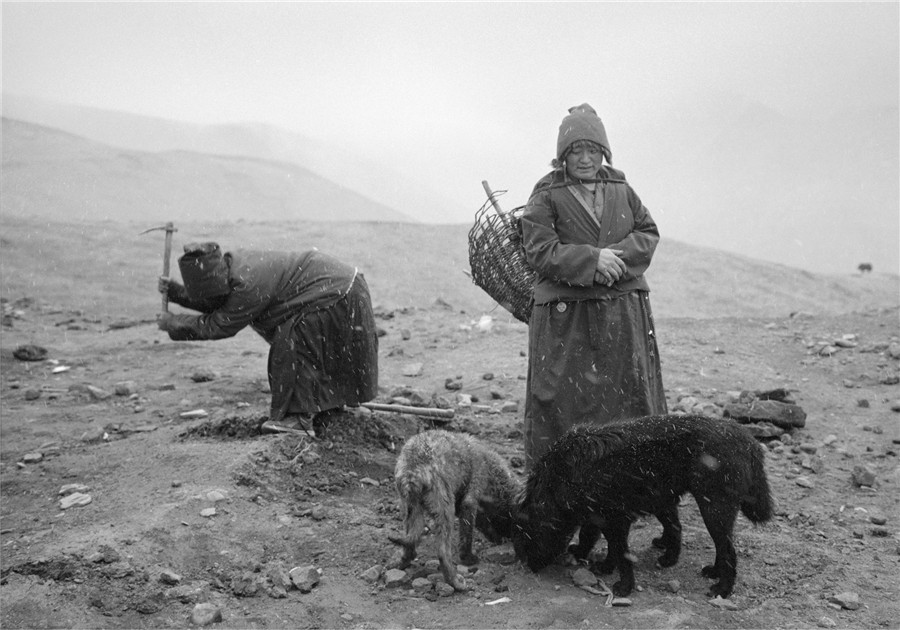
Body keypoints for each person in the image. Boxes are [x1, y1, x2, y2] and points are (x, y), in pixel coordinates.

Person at [520, 103, 667, 466]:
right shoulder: (546, 195)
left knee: (627, 393)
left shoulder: (621, 188)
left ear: (604, 151)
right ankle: (563, 477)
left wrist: (614, 258)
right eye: (576, 151)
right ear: (562, 156)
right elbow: (539, 250)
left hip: (622, 312)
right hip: (567, 318)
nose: (585, 159)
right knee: (563, 399)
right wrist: (591, 261)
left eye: (593, 150)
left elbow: (648, 232)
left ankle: (630, 474)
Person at [157, 241, 378, 436]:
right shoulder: (230, 270)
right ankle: (326, 406)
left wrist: (173, 322)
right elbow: (217, 301)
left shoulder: (247, 284)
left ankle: (299, 420)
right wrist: (176, 292)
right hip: (342, 289)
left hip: (337, 293)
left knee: (294, 342)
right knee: (306, 341)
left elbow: (219, 325)